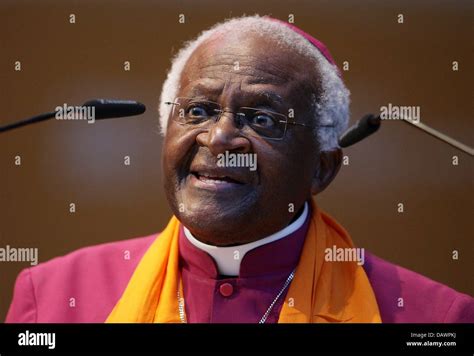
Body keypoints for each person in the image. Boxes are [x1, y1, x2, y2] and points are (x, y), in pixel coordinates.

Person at [6, 15, 473, 323]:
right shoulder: (51, 299)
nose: (220, 137)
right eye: (198, 110)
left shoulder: (430, 317)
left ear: (322, 169)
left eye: (263, 119)